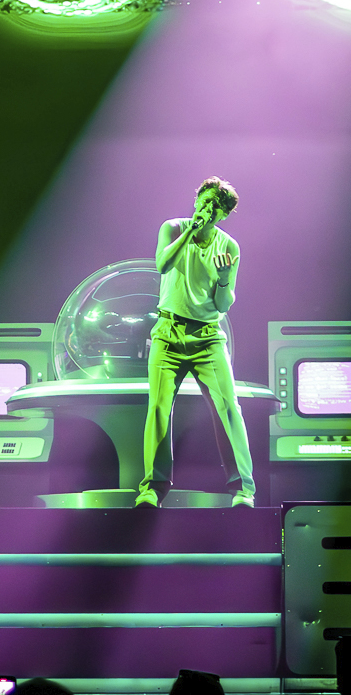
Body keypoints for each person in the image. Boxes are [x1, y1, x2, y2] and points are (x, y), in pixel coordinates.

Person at [136, 176, 254, 509]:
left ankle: (243, 490)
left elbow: (223, 304)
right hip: (168, 333)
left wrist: (225, 280)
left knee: (228, 408)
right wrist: (191, 232)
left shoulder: (229, 247)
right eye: (204, 201)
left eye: (216, 206)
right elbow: (162, 265)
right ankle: (152, 489)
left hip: (207, 337)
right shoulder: (173, 228)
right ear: (196, 200)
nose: (207, 208)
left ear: (224, 214)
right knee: (158, 408)